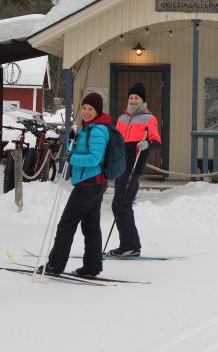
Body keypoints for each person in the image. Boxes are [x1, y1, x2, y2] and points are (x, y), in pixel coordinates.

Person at [40, 92, 111, 277]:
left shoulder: (97, 130)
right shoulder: (89, 127)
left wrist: (73, 158)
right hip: (94, 182)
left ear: (98, 111)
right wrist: (74, 139)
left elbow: (95, 158)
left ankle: (55, 265)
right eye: (85, 108)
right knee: (90, 227)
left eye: (91, 109)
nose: (87, 112)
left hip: (89, 183)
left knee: (66, 224)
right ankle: (92, 267)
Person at [110, 82, 161, 257]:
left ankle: (129, 246)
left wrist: (147, 143)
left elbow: (157, 142)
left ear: (142, 100)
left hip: (134, 166)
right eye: (131, 97)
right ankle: (130, 245)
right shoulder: (122, 119)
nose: (132, 100)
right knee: (121, 205)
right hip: (120, 167)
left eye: (136, 98)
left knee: (120, 204)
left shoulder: (149, 119)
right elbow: (116, 141)